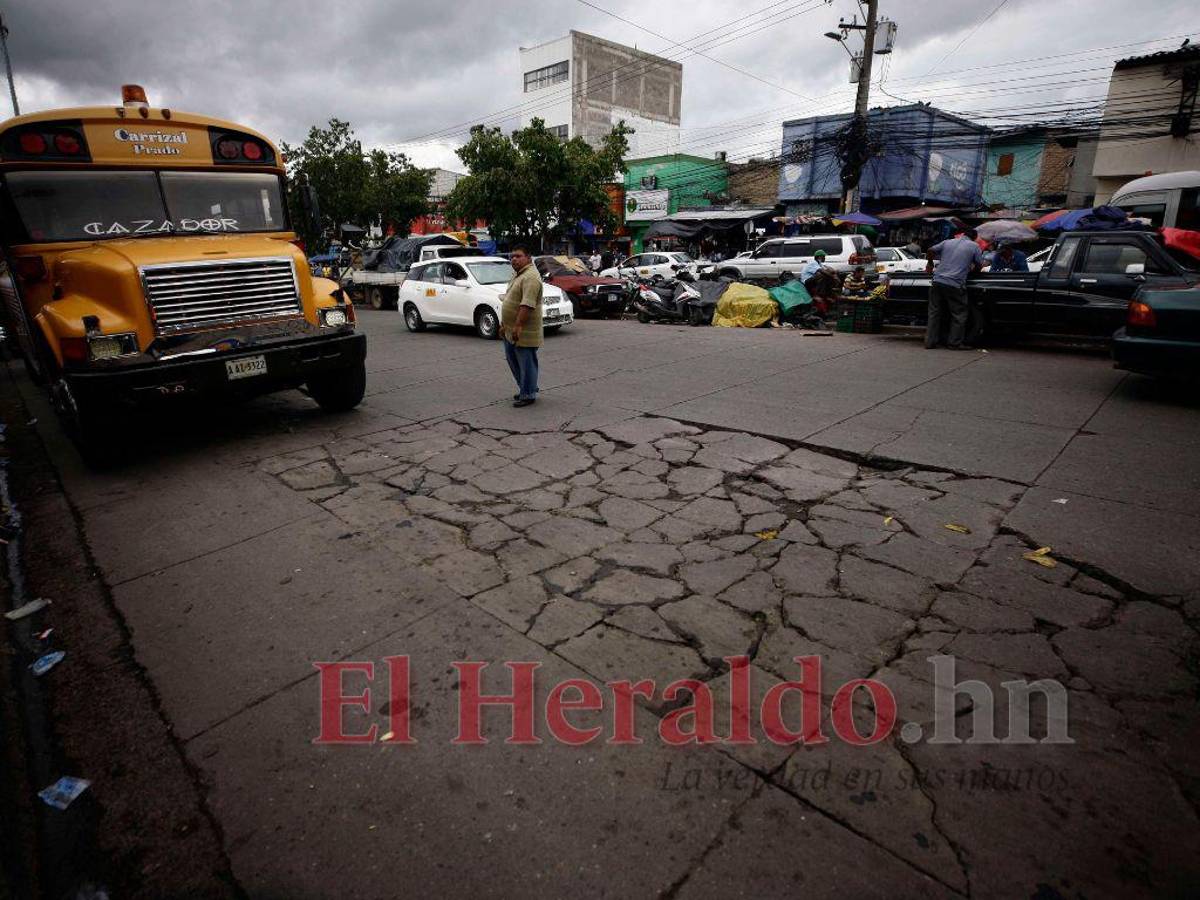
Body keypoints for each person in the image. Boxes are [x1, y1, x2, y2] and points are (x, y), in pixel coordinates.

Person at [925, 228, 984, 350]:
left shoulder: (947, 242)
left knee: (934, 313)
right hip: (955, 284)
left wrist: (930, 263)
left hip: (937, 281)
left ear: (962, 234)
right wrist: (972, 269)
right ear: (974, 237)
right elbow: (979, 265)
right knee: (959, 314)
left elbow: (930, 250)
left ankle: (930, 342)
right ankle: (954, 343)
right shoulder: (974, 246)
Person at [502, 245, 544, 407]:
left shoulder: (531, 277)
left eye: (518, 256)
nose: (514, 259)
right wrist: (504, 325)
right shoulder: (518, 274)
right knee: (514, 361)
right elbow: (509, 299)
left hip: (524, 330)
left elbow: (527, 304)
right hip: (510, 328)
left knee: (526, 362)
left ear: (528, 258)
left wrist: (518, 326)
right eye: (512, 256)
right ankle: (528, 387)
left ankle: (528, 394)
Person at [800, 249, 841, 313]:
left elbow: (829, 269)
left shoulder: (819, 264)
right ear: (819, 257)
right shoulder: (813, 263)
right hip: (807, 282)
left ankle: (828, 292)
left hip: (812, 280)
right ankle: (822, 293)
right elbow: (823, 272)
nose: (825, 258)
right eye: (824, 257)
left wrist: (835, 273)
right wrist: (833, 277)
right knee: (824, 275)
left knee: (828, 274)